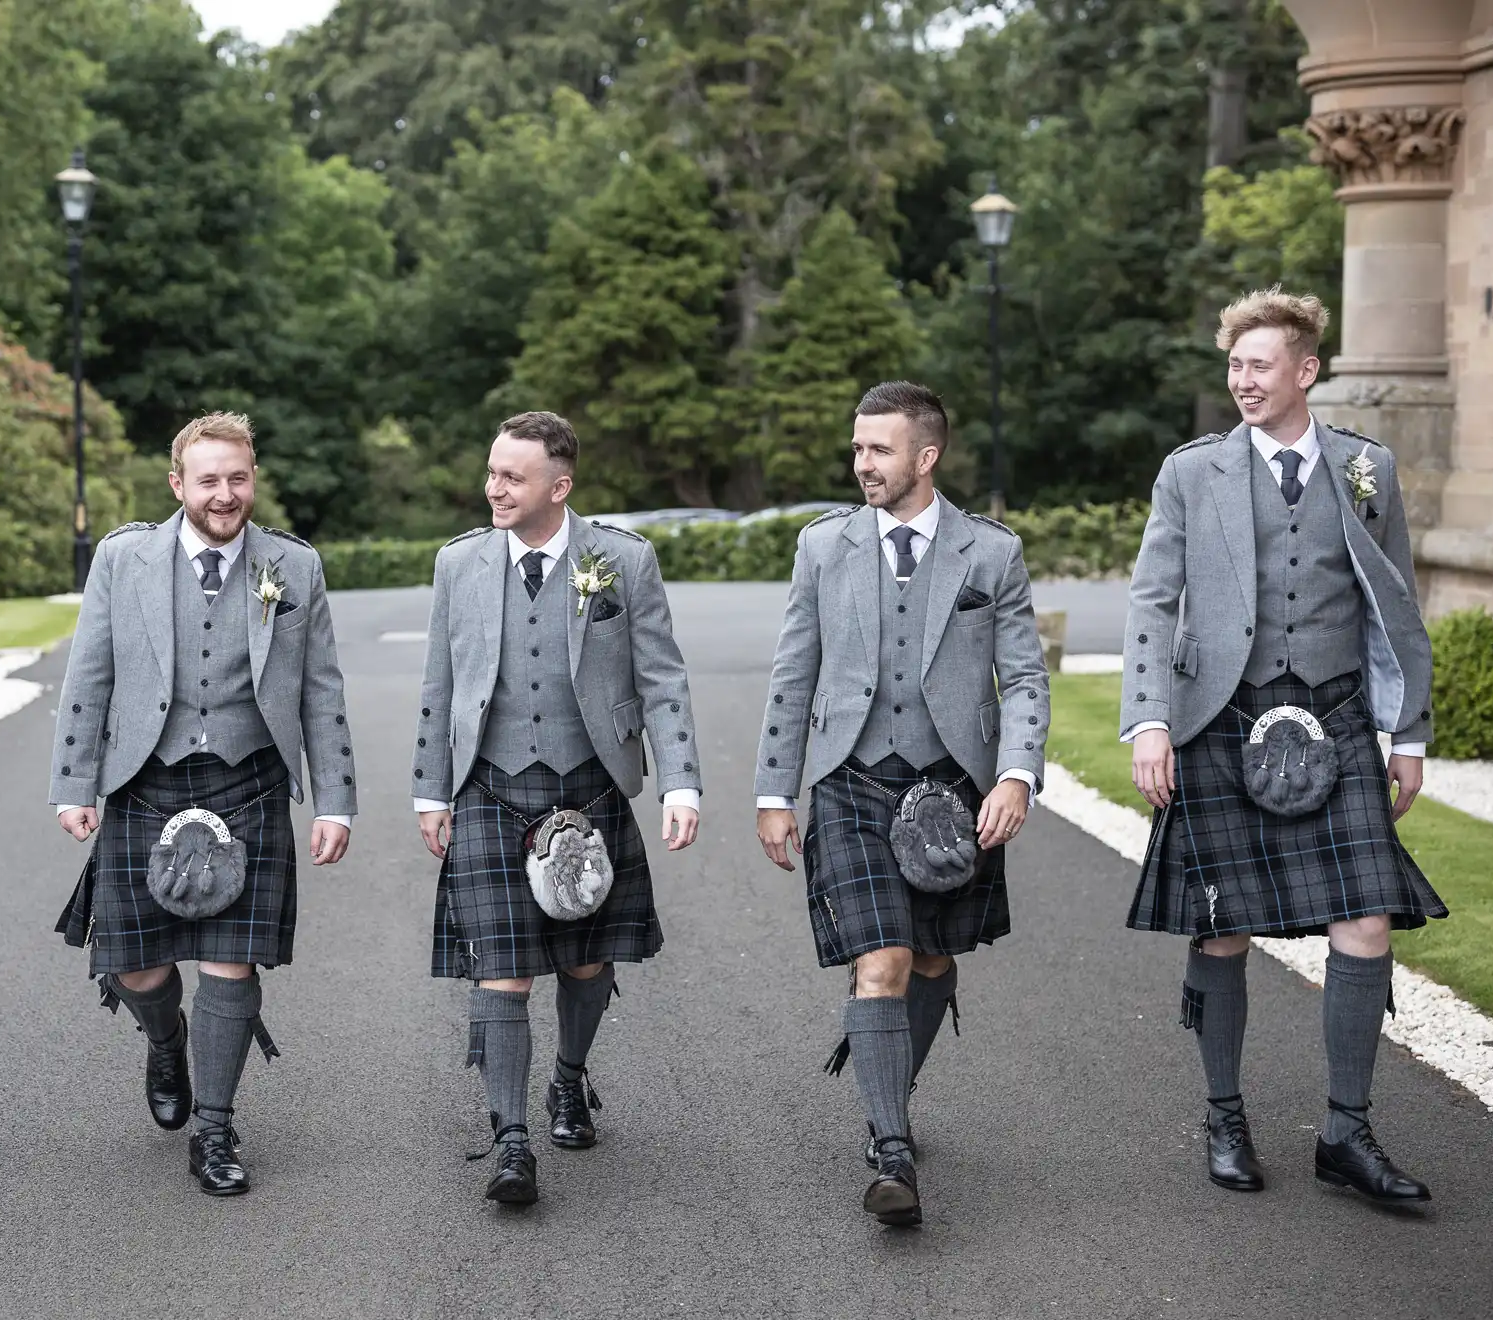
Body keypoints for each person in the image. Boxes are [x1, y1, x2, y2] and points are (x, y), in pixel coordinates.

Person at [1123, 287, 1444, 1204]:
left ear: (1306, 370)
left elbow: (1398, 604)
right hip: (1223, 715)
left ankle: (1346, 1132)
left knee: (1367, 916)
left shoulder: (1365, 468)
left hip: (1338, 717)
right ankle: (1225, 1115)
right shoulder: (1192, 472)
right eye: (1235, 365)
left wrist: (1408, 732)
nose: (1243, 380)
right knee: (1220, 923)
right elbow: (1151, 600)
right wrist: (1150, 720)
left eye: (1260, 364)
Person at [754, 381, 1048, 1227]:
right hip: (848, 774)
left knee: (928, 960)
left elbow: (1024, 676)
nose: (861, 464)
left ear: (927, 456)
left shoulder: (990, 553)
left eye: (878, 449)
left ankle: (893, 1082)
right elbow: (791, 673)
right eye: (856, 448)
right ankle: (889, 1147)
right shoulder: (825, 547)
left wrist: (1016, 774)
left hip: (955, 783)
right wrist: (776, 791)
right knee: (879, 958)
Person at [50, 411, 355, 1196]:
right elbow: (89, 675)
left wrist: (335, 800)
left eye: (239, 478)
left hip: (249, 780)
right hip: (145, 780)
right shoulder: (125, 558)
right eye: (209, 479)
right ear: (178, 482)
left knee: (231, 961)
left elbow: (322, 691)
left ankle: (215, 1127)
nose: (226, 494)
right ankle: (164, 1035)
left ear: (254, 478)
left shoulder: (293, 565)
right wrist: (73, 783)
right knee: (141, 966)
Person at [412, 411, 701, 1205]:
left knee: (586, 962)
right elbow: (439, 683)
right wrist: (429, 788)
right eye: (492, 471)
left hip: (590, 786)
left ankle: (569, 1076)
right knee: (501, 971)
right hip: (490, 788)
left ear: (559, 485)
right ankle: (511, 1137)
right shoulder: (459, 564)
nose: (494, 487)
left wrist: (681, 782)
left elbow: (663, 681)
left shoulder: (622, 561)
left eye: (513, 476)